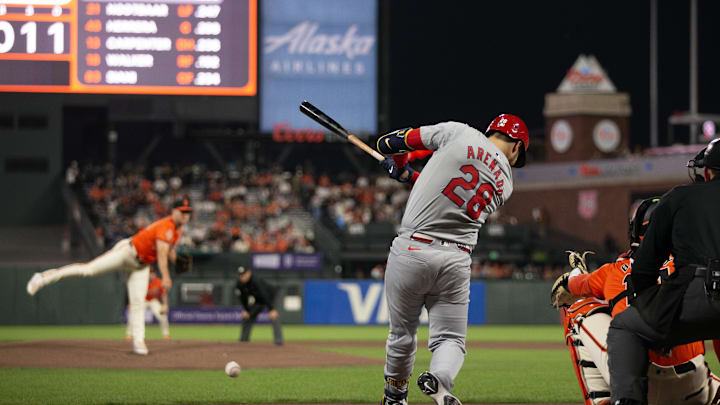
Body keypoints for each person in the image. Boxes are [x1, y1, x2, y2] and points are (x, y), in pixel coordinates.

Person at [374, 115, 529, 405]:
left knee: (402, 335)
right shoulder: (506, 183)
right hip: (456, 259)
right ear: (517, 146)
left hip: (413, 250)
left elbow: (390, 142)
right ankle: (440, 381)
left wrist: (398, 163)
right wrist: (406, 176)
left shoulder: (458, 131)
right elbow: (450, 192)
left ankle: (395, 398)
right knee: (451, 340)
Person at [553, 197, 720, 405]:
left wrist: (572, 279)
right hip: (695, 386)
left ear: (636, 231)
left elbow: (573, 286)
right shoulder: (699, 264)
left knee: (578, 309)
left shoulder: (614, 271)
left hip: (638, 387)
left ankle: (604, 401)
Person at [608, 138, 720, 405]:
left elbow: (645, 266)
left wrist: (648, 306)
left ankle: (628, 401)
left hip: (695, 295)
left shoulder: (680, 196)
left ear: (706, 171)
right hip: (698, 292)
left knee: (626, 327)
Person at [26, 199, 193, 355]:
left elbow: (169, 251)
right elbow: (162, 254)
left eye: (188, 212)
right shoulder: (166, 226)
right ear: (173, 211)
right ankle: (42, 277)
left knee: (137, 302)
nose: (186, 215)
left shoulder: (177, 231)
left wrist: (178, 261)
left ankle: (139, 341)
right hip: (127, 252)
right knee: (88, 270)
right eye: (182, 211)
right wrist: (166, 277)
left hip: (141, 266)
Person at [235, 266, 283, 346]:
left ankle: (278, 341)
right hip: (258, 300)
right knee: (247, 317)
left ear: (249, 273)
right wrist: (247, 310)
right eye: (240, 275)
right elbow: (243, 298)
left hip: (271, 297)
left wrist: (271, 309)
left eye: (243, 275)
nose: (242, 277)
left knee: (274, 316)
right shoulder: (240, 284)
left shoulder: (256, 280)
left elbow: (264, 295)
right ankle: (243, 340)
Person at [125, 269, 171, 341]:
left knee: (163, 316)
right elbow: (135, 294)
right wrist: (131, 303)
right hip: (143, 300)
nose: (151, 275)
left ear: (154, 274)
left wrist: (165, 304)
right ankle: (129, 334)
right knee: (134, 315)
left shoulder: (159, 282)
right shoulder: (142, 282)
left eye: (152, 273)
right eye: (149, 273)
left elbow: (163, 294)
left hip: (153, 300)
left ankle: (166, 334)